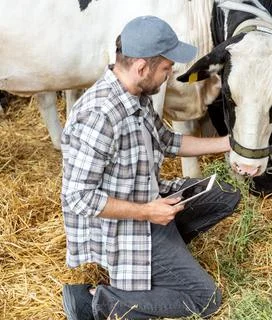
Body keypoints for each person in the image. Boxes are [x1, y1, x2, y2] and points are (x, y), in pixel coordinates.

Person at [60, 16, 241, 320]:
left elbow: (167, 141)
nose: (169, 76)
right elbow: (78, 197)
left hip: (149, 200)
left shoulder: (137, 95)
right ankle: (93, 300)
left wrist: (229, 144)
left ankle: (163, 258)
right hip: (127, 224)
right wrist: (148, 213)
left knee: (224, 195)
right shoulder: (100, 115)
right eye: (167, 69)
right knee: (205, 298)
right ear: (142, 68)